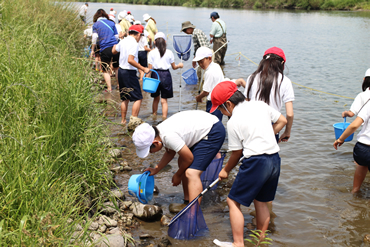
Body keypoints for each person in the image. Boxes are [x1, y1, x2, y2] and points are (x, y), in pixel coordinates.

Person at [210, 81, 287, 247]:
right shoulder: (260, 105)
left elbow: (237, 153)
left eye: (221, 109)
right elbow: (283, 120)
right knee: (261, 201)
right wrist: (268, 133)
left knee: (232, 201)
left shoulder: (232, 122)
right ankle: (260, 241)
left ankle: (238, 243)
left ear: (228, 104)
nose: (222, 113)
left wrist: (225, 171)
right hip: (274, 159)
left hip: (256, 162)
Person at [132, 110, 225, 203]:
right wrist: (156, 169)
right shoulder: (159, 132)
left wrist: (178, 174)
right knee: (181, 161)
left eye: (149, 150)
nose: (151, 153)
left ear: (155, 143)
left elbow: (189, 158)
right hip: (203, 126)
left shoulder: (168, 137)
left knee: (191, 173)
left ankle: (193, 213)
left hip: (212, 130)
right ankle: (187, 200)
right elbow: (170, 153)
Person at [238, 47, 294, 143]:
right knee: (269, 155)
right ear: (282, 64)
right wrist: (287, 132)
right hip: (273, 125)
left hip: (251, 123)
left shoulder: (252, 77)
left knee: (249, 153)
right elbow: (289, 114)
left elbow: (245, 104)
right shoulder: (285, 81)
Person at [334, 68, 370, 194]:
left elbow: (353, 119)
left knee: (361, 163)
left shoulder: (363, 96)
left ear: (365, 80)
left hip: (364, 146)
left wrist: (340, 139)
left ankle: (355, 193)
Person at [112, 25, 149, 125]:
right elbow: (130, 60)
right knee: (138, 98)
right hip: (129, 72)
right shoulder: (134, 43)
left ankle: (123, 121)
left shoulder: (123, 41)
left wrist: (115, 45)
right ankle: (133, 121)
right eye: (140, 36)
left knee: (125, 98)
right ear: (138, 34)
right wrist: (143, 68)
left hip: (121, 71)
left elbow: (114, 51)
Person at [147, 32, 183, 119]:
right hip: (166, 75)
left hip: (155, 75)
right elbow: (174, 67)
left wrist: (147, 78)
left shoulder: (151, 53)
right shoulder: (169, 52)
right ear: (165, 42)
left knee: (156, 98)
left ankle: (154, 117)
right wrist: (179, 65)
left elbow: (149, 68)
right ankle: (164, 118)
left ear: (155, 42)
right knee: (164, 100)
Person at [90, 9, 119, 92]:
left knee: (105, 70)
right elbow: (116, 36)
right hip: (115, 47)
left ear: (96, 16)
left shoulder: (95, 25)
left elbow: (95, 38)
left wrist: (93, 49)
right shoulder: (111, 23)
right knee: (116, 68)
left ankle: (109, 88)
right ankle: (118, 86)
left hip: (105, 48)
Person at [193, 47, 224, 121]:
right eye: (198, 62)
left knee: (211, 123)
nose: (200, 64)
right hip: (221, 101)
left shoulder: (209, 72)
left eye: (202, 61)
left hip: (213, 103)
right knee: (217, 122)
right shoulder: (216, 66)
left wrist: (199, 97)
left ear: (209, 59)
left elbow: (206, 91)